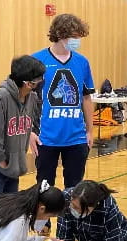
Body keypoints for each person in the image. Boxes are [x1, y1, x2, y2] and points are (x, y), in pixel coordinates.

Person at [30, 13, 95, 189]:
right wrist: (29, 132)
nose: (77, 41)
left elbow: (86, 97)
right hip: (45, 138)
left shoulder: (82, 62)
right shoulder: (37, 60)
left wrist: (90, 130)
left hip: (76, 138)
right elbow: (25, 98)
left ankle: (70, 218)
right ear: (60, 35)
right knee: (44, 188)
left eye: (78, 37)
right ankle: (43, 218)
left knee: (75, 190)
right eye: (74, 37)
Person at [0, 55, 45, 208]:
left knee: (9, 210)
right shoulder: (2, 97)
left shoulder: (32, 97)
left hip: (13, 163)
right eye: (38, 80)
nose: (40, 83)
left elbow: (30, 125)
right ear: (27, 83)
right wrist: (2, 161)